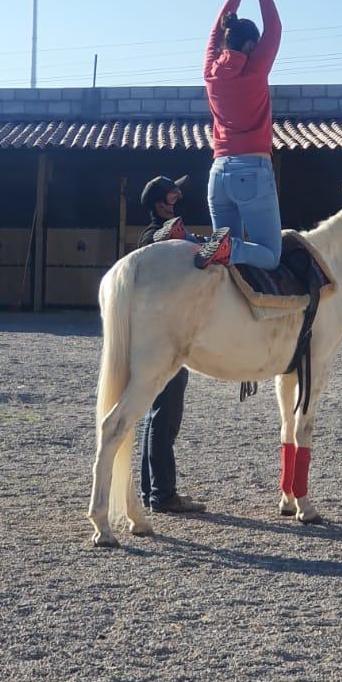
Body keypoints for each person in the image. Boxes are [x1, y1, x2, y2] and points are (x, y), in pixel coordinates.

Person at [194, 0, 283, 271]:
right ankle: (222, 246)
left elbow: (215, 31)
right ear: (248, 48)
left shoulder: (210, 73)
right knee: (270, 255)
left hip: (218, 172)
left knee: (225, 262)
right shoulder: (256, 71)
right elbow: (275, 27)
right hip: (252, 172)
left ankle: (197, 242)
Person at [136, 175, 205, 514]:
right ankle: (163, 494)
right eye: (170, 195)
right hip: (164, 336)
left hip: (160, 335)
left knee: (157, 416)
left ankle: (154, 491)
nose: (176, 199)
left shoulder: (160, 233)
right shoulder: (155, 236)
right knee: (165, 415)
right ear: (159, 203)